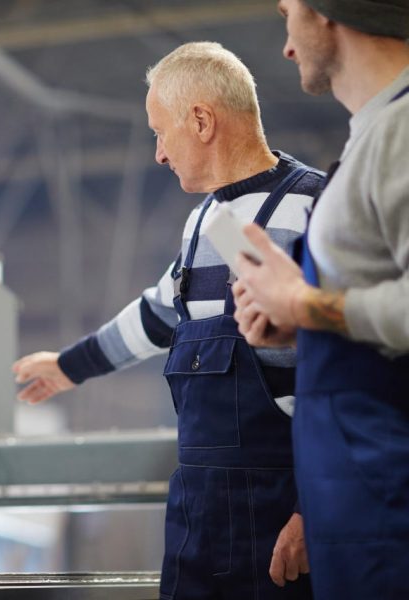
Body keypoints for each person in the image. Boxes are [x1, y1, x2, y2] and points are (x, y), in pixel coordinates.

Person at [13, 41, 323, 600]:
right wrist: (67, 367)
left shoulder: (314, 210)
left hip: (282, 515)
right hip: (199, 513)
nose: (159, 153)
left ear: (201, 120)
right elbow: (159, 314)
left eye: (161, 131)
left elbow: (343, 379)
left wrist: (315, 510)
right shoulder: (209, 223)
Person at [231, 1, 409, 598]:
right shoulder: (373, 137)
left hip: (391, 505)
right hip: (359, 506)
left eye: (288, 12)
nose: (286, 44)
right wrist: (298, 324)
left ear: (328, 11)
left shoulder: (403, 130)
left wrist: (306, 306)